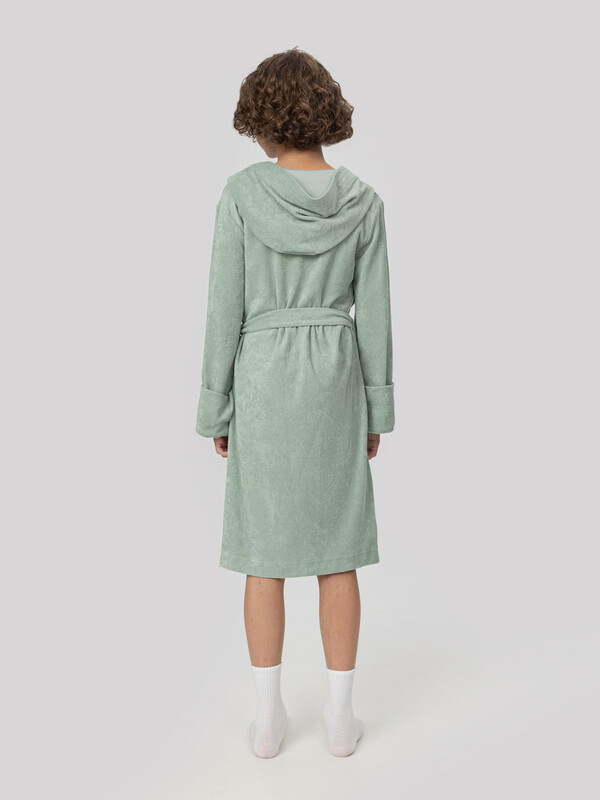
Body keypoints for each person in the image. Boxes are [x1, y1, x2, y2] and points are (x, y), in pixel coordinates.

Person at [195, 48, 395, 759]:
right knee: (339, 550)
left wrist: (216, 407)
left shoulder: (241, 196)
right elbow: (375, 314)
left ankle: (267, 718)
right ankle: (340, 717)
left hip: (264, 380)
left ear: (262, 118)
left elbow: (224, 308)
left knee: (264, 550)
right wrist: (376, 409)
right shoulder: (363, 202)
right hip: (335, 377)